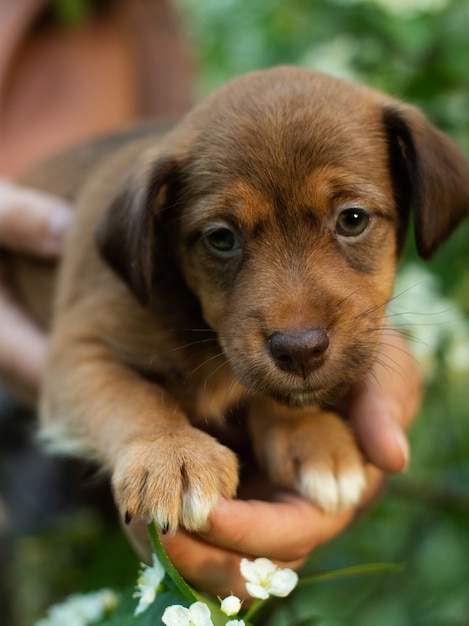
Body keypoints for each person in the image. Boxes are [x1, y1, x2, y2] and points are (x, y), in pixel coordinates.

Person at [0, 0, 421, 601]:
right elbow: (81, 357)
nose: (296, 326)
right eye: (223, 239)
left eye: (351, 219)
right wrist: (151, 437)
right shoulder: (148, 220)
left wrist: (288, 415)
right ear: (158, 229)